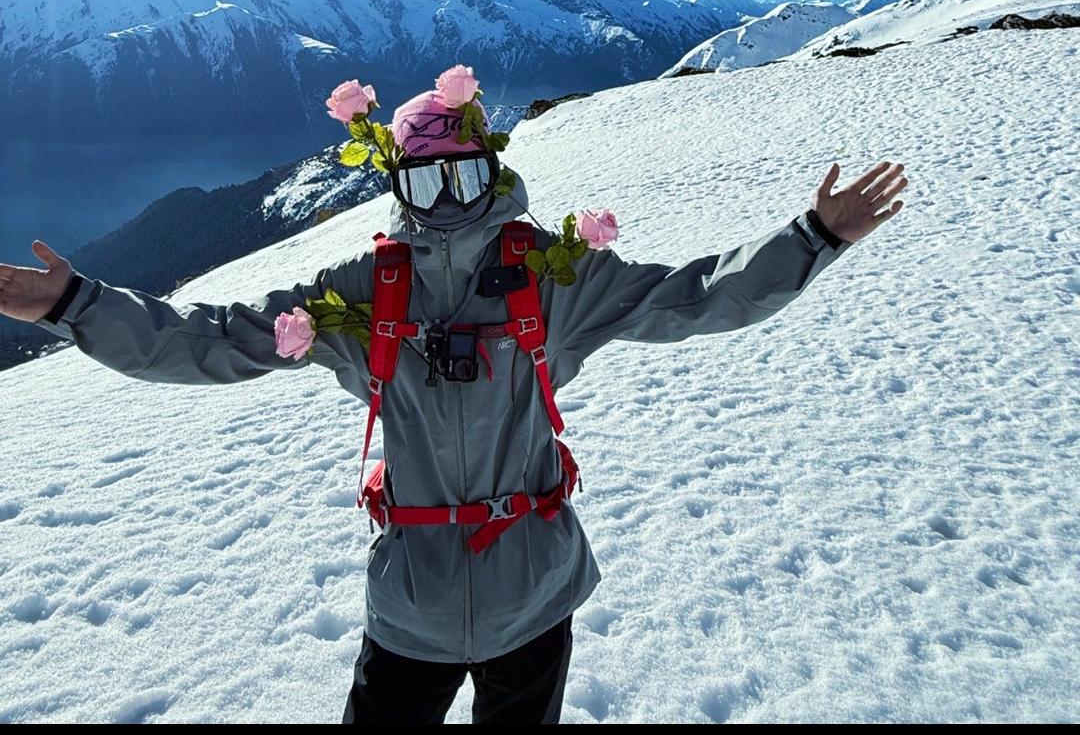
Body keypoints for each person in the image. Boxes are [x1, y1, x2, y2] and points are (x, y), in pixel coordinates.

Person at [0, 83, 906, 724]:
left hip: (529, 597)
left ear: (493, 174)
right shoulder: (365, 291)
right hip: (418, 608)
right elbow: (215, 339)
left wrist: (811, 238)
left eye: (464, 178)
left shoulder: (553, 278)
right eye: (426, 181)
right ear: (398, 185)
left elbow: (697, 296)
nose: (447, 201)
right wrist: (82, 306)